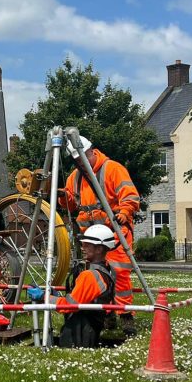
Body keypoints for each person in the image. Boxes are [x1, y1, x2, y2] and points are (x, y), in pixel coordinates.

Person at [59, 135, 141, 336]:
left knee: (119, 274)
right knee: (96, 276)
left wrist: (124, 212)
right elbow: (71, 205)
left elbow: (130, 195)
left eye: (82, 158)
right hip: (91, 238)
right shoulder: (75, 177)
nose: (80, 163)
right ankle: (106, 314)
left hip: (115, 232)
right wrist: (63, 197)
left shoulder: (112, 169)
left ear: (90, 152)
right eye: (76, 160)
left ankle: (125, 315)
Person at [28, 225, 116, 348]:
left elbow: (70, 306)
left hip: (80, 334)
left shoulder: (89, 276)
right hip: (91, 329)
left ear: (99, 249)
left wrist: (44, 297)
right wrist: (56, 296)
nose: (83, 247)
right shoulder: (107, 270)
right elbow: (82, 300)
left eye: (87, 245)